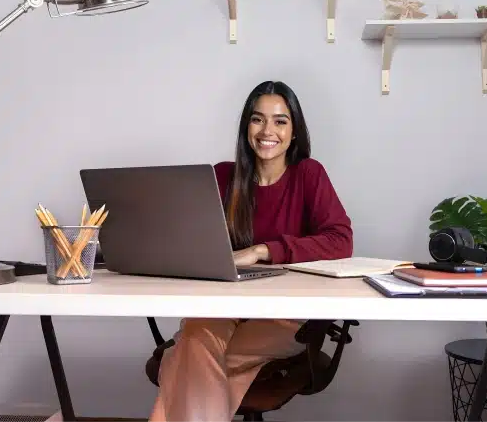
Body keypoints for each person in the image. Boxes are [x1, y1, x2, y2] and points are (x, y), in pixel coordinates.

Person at [148, 81, 353, 422]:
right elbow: (189, 237)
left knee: (185, 358)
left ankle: (179, 360)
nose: (267, 130)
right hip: (222, 305)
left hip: (284, 313)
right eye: (258, 119)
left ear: (294, 131)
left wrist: (262, 251)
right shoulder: (223, 175)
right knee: (197, 343)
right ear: (246, 127)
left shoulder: (308, 175)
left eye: (280, 121)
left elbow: (340, 240)